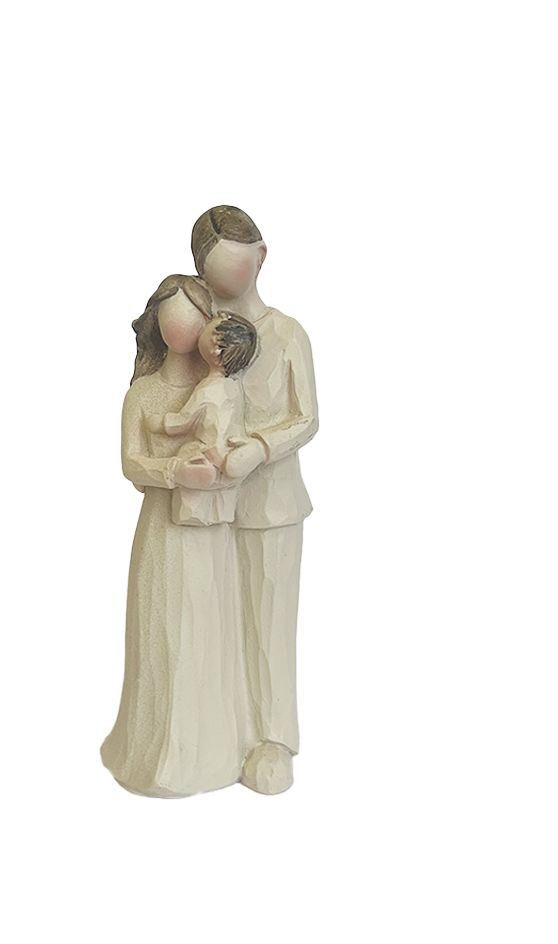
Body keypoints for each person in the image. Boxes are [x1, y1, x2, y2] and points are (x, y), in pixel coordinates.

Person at [100, 275, 253, 797]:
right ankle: (153, 751)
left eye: (195, 313)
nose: (184, 324)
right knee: (162, 631)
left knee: (207, 628)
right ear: (156, 323)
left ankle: (211, 750)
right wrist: (173, 472)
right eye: (172, 313)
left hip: (210, 531)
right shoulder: (144, 394)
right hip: (163, 531)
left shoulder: (222, 387)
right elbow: (130, 463)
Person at [191, 206, 319, 794]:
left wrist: (260, 449)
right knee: (210, 617)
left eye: (239, 269)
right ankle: (219, 732)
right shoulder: (197, 337)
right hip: (203, 507)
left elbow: (307, 417)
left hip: (271, 506)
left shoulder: (288, 334)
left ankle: (271, 737)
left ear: (262, 258)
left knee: (268, 620)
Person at [150, 310, 259, 527]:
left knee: (188, 459)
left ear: (215, 348)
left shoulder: (207, 389)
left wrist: (160, 423)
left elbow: (183, 421)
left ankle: (193, 508)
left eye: (209, 326)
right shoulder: (233, 388)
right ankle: (219, 509)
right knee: (220, 493)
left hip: (207, 451)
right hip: (227, 451)